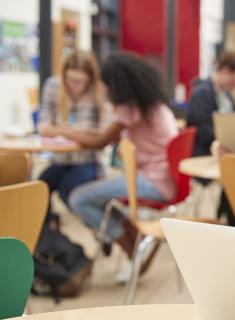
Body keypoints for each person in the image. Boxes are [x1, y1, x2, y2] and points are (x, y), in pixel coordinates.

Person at [62, 53, 178, 261]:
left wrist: (60, 131)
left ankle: (133, 252)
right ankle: (136, 239)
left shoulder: (129, 109)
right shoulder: (151, 104)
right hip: (165, 179)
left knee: (79, 198)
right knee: (97, 198)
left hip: (153, 182)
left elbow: (100, 142)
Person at [38, 50, 105, 226]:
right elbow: (44, 127)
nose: (74, 85)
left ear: (90, 79)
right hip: (59, 160)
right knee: (39, 187)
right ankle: (49, 236)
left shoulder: (98, 91)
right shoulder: (53, 86)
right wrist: (77, 133)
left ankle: (102, 230)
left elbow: (100, 136)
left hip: (87, 160)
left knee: (68, 189)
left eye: (80, 81)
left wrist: (63, 131)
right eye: (70, 79)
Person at [187, 50, 235, 158]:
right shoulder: (203, 93)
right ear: (226, 71)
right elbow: (202, 131)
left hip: (226, 154)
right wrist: (232, 139)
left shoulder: (226, 94)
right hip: (207, 156)